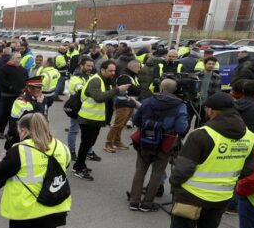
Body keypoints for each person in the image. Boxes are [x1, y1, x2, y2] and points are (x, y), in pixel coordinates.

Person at [168, 92, 254, 228]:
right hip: (221, 198)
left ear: (211, 110)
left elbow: (181, 170)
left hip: (191, 196)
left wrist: (174, 184)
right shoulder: (249, 136)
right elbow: (248, 169)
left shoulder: (201, 134)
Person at [128, 79, 189, 212]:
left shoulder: (148, 101)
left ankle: (134, 201)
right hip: (166, 142)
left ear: (161, 88)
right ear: (175, 90)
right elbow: (181, 128)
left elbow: (136, 120)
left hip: (145, 140)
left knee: (140, 170)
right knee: (157, 173)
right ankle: (147, 203)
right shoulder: (180, 105)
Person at [72, 60, 122, 181]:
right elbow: (99, 98)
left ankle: (80, 164)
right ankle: (78, 168)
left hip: (96, 119)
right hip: (88, 118)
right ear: (102, 70)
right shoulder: (96, 80)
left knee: (89, 143)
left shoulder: (106, 80)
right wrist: (117, 90)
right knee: (86, 144)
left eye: (114, 70)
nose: (113, 73)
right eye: (110, 70)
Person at [104, 60, 141, 153]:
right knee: (117, 124)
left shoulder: (133, 76)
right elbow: (133, 90)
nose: (140, 69)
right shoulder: (125, 76)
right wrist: (139, 89)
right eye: (138, 67)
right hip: (123, 104)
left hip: (129, 104)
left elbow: (135, 89)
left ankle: (117, 141)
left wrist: (138, 89)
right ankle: (108, 143)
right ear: (132, 66)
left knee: (122, 124)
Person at [0, 52, 28, 138]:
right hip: (7, 96)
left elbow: (26, 80)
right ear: (12, 59)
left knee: (15, 116)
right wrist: (10, 87)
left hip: (19, 96)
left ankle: (11, 132)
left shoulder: (22, 69)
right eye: (17, 58)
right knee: (5, 115)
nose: (19, 59)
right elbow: (0, 80)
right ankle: (1, 131)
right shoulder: (4, 68)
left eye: (20, 57)